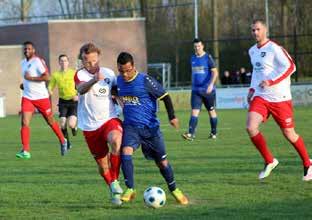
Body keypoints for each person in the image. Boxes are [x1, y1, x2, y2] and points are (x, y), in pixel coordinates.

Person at [116, 52, 188, 205]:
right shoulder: (119, 81)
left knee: (162, 163)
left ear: (133, 66)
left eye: (128, 70)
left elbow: (165, 96)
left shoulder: (145, 81)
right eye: (121, 71)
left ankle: (174, 189)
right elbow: (114, 92)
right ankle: (130, 188)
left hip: (151, 129)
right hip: (131, 127)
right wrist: (116, 101)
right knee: (125, 151)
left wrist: (172, 117)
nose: (125, 74)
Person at [246, 19, 312, 181]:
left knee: (289, 134)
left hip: (280, 98)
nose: (255, 33)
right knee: (250, 127)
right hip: (261, 96)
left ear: (265, 30)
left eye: (258, 29)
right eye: (253, 30)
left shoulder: (275, 49)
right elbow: (257, 72)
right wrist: (252, 90)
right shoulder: (252, 51)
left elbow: (291, 67)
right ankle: (269, 160)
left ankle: (308, 163)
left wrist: (271, 81)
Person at [74, 43, 123, 205]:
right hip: (89, 126)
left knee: (116, 140)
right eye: (88, 62)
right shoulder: (79, 74)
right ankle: (112, 186)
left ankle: (115, 180)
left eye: (95, 61)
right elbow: (81, 89)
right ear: (82, 61)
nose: (92, 64)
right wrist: (94, 80)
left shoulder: (109, 73)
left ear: (98, 58)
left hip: (109, 118)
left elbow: (116, 93)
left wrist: (126, 108)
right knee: (103, 165)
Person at [16, 41, 67, 159]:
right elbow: (27, 78)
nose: (26, 51)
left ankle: (63, 140)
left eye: (29, 49)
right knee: (24, 122)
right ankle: (25, 150)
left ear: (33, 50)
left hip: (41, 98)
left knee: (50, 121)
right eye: (25, 49)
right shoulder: (23, 63)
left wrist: (30, 78)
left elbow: (47, 76)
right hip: (28, 97)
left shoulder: (38, 61)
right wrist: (24, 84)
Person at [182, 38, 219, 141]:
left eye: (198, 46)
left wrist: (211, 84)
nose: (197, 48)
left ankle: (213, 133)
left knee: (211, 111)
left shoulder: (208, 57)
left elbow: (215, 72)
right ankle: (190, 134)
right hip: (196, 91)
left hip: (208, 91)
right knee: (194, 112)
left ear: (202, 46)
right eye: (195, 46)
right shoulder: (192, 58)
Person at [48, 54, 78, 150]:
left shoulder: (73, 73)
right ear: (59, 62)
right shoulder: (55, 75)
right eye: (61, 60)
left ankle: (74, 128)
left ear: (68, 62)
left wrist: (78, 95)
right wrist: (49, 90)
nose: (63, 62)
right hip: (63, 102)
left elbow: (80, 85)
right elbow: (50, 86)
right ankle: (67, 143)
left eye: (65, 60)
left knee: (71, 124)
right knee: (62, 123)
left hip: (73, 101)